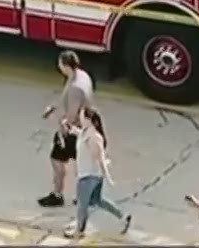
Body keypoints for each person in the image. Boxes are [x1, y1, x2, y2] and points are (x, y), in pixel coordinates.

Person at [39, 50, 95, 208]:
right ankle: (81, 195)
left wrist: (63, 129)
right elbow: (68, 99)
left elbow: (72, 114)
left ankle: (58, 195)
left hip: (72, 132)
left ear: (65, 65)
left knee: (57, 160)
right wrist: (54, 107)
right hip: (85, 127)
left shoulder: (75, 88)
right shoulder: (82, 76)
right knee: (80, 163)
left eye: (60, 64)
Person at [71, 109, 131, 239]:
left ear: (88, 120)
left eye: (81, 117)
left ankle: (79, 230)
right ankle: (123, 216)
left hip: (88, 176)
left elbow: (99, 158)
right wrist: (71, 128)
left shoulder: (94, 137)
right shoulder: (86, 133)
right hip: (93, 176)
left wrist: (108, 176)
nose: (79, 119)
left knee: (82, 205)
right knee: (98, 200)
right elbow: (79, 133)